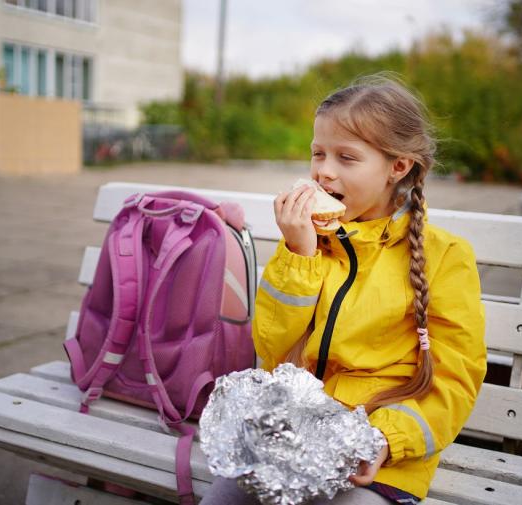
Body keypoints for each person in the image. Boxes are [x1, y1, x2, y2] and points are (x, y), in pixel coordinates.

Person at [200, 74, 487, 504]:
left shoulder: (444, 257)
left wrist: (386, 439)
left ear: (398, 166)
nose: (324, 171)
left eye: (346, 158)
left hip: (382, 455)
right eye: (318, 153)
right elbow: (271, 348)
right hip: (295, 436)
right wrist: (299, 255)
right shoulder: (310, 243)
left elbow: (454, 379)